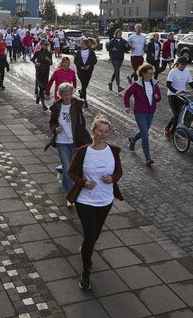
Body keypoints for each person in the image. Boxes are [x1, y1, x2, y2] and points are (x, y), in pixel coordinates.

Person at [66, 115, 124, 291]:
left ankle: (85, 249)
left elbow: (120, 172)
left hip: (105, 200)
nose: (103, 134)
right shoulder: (83, 151)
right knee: (90, 236)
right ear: (93, 131)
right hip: (85, 201)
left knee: (94, 236)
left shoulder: (113, 151)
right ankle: (86, 271)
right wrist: (83, 183)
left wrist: (112, 178)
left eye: (106, 131)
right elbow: (71, 172)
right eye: (100, 131)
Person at [48, 83, 91, 201]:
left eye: (69, 94)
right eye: (64, 95)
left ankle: (61, 171)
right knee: (68, 168)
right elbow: (52, 122)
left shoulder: (76, 105)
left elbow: (81, 123)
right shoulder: (57, 107)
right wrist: (55, 128)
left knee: (72, 167)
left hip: (74, 142)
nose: (67, 97)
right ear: (60, 95)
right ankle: (69, 195)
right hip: (61, 142)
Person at [124, 63, 161, 166]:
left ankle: (133, 139)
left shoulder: (154, 83)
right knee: (145, 134)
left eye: (153, 73)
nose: (152, 75)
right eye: (150, 73)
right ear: (144, 74)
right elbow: (127, 94)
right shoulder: (137, 85)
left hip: (151, 112)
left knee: (144, 130)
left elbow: (159, 98)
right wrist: (127, 106)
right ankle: (147, 157)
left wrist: (157, 96)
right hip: (140, 112)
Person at [164, 56, 193, 137]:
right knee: (177, 115)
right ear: (178, 63)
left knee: (179, 115)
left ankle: (172, 130)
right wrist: (176, 92)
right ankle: (170, 130)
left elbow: (190, 82)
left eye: (185, 65)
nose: (183, 66)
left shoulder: (186, 72)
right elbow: (168, 84)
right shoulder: (173, 71)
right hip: (172, 95)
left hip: (182, 96)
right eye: (182, 64)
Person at [73, 38, 97, 109]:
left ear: (86, 44)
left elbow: (94, 61)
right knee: (83, 84)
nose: (81, 45)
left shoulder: (91, 52)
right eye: (81, 44)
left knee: (85, 85)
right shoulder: (78, 52)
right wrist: (81, 67)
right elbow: (75, 61)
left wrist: (89, 65)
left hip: (89, 71)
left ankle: (81, 91)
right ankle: (84, 100)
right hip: (81, 71)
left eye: (82, 44)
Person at [31, 39, 54, 110]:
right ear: (41, 45)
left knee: (44, 87)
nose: (46, 46)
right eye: (45, 45)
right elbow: (32, 59)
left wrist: (49, 60)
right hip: (39, 71)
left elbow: (51, 63)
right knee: (41, 87)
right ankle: (43, 104)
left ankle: (38, 96)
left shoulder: (49, 53)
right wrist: (36, 63)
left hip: (46, 72)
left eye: (47, 45)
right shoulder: (37, 52)